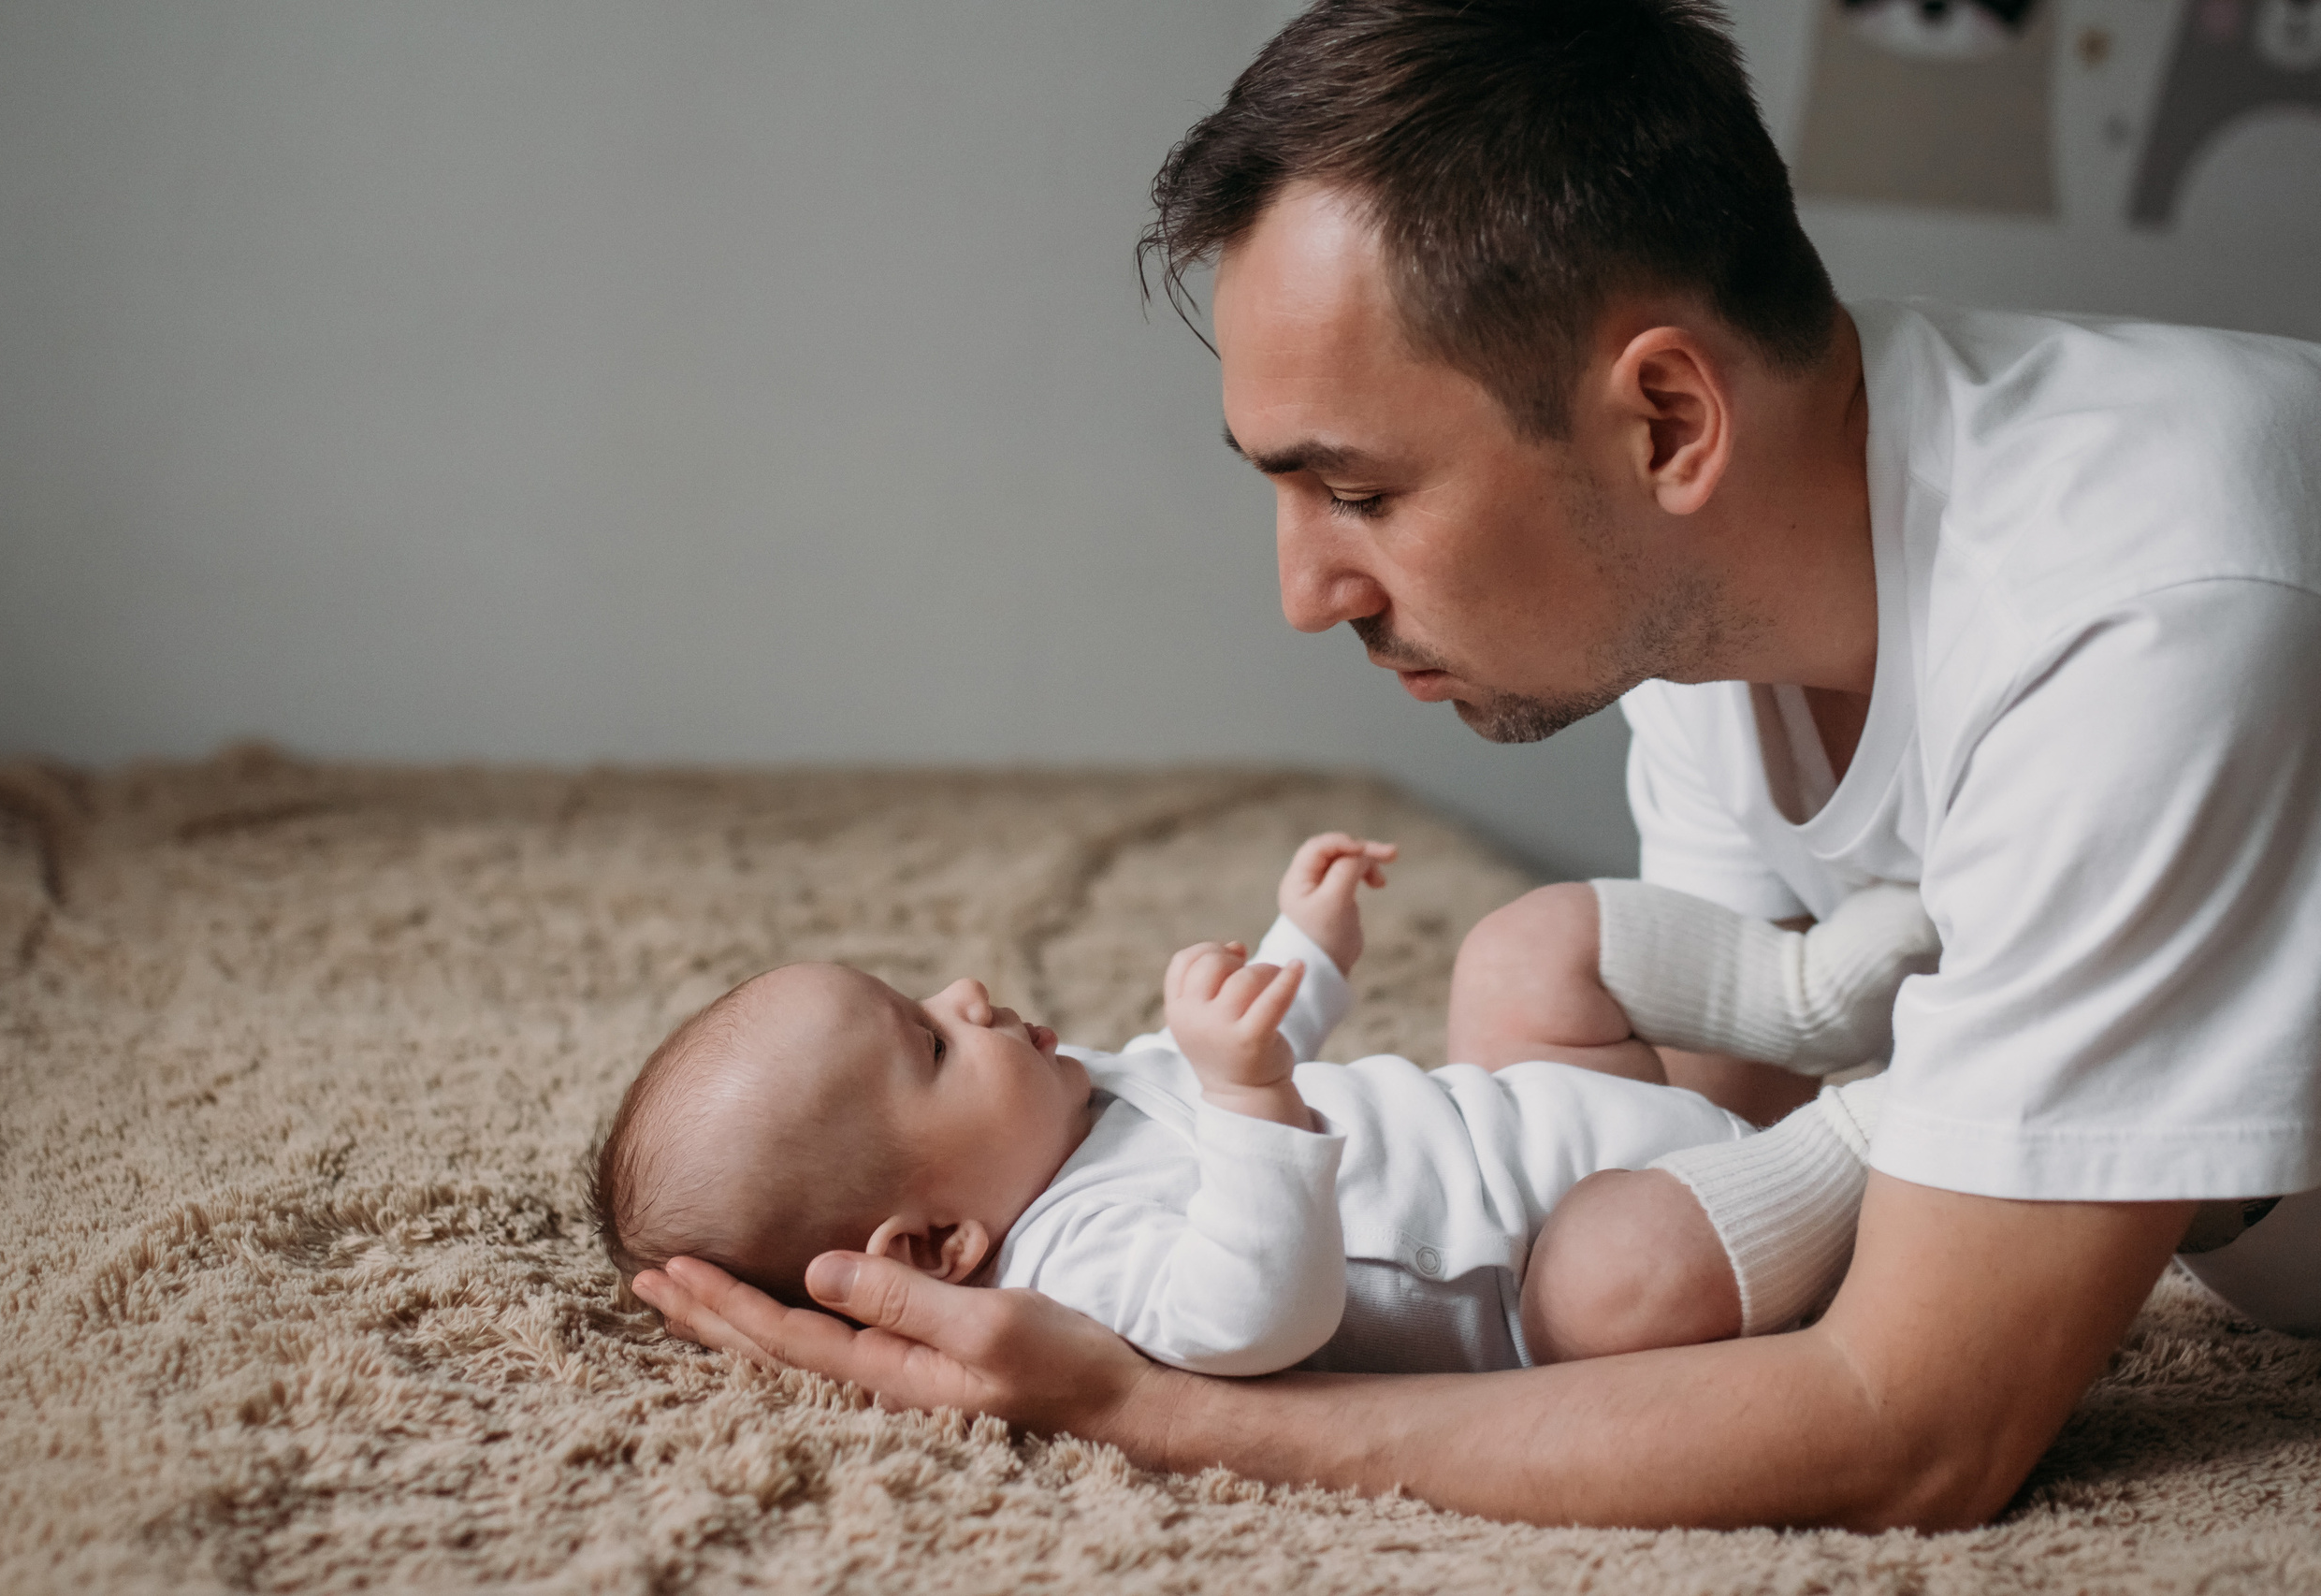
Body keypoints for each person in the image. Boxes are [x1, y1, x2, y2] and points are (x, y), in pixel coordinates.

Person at [635, 0, 2321, 1531]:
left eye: (1358, 492)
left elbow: (1913, 1425)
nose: (1303, 594)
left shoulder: (2146, 621)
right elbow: (1715, 1169)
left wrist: (1148, 1405)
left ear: (1666, 425)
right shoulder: (1705, 594)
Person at [595, 834, 1938, 1375]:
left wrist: (1301, 938)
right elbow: (1254, 1315)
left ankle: (1802, 995)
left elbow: (1270, 1034)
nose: (965, 987)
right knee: (1619, 1280)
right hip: (1557, 1262)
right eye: (933, 1044)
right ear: (936, 1244)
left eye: (925, 991)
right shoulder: (1076, 1266)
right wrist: (1243, 1093)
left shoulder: (1087, 1094)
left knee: (1517, 953)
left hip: (1550, 1106)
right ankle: (1887, 1133)